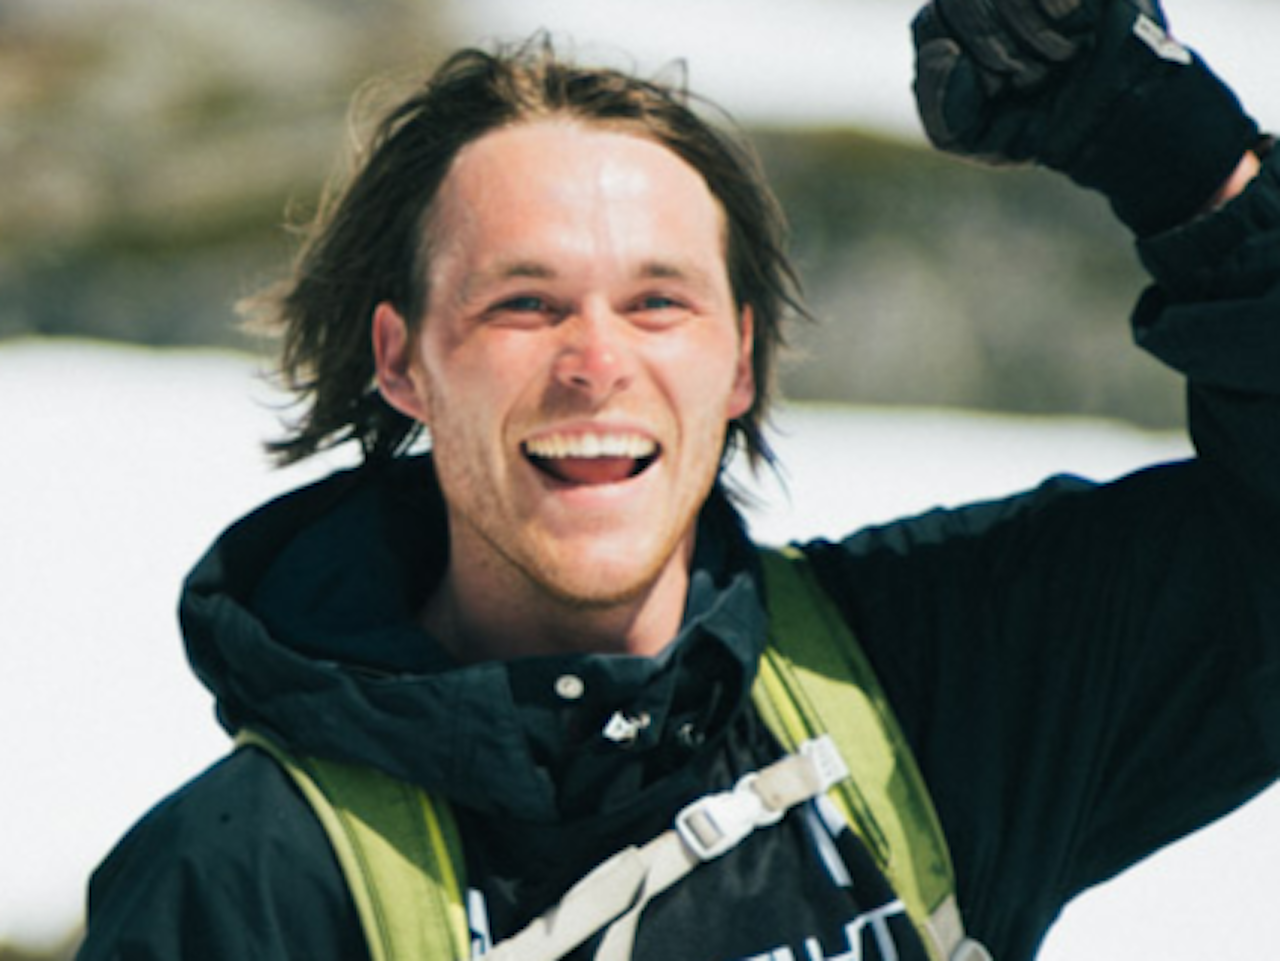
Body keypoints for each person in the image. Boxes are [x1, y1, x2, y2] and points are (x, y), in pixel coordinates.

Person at [78, 0, 1279, 958]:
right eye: (523, 303)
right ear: (402, 362)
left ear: (738, 359)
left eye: (658, 302)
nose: (596, 363)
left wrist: (1179, 155)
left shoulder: (937, 684)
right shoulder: (246, 885)